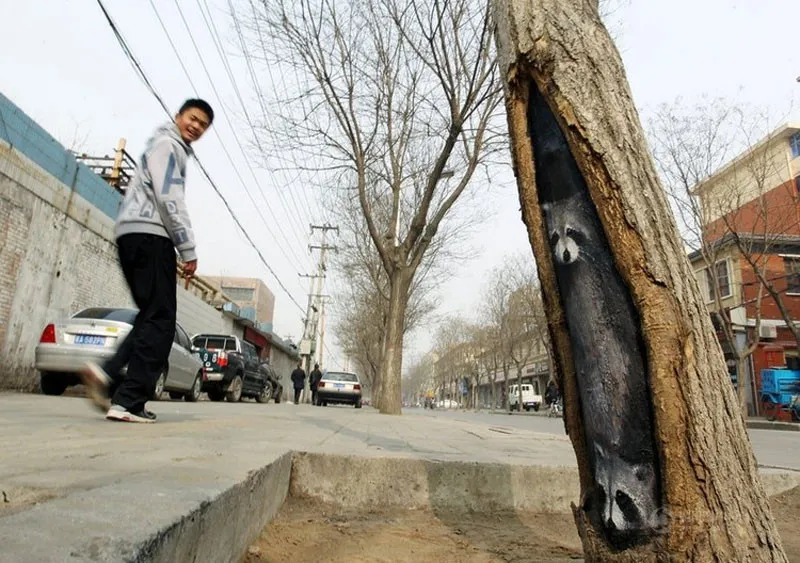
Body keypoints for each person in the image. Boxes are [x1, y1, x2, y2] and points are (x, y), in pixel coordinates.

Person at [79, 99, 214, 423]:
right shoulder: (169, 146)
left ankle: (106, 373)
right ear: (178, 116)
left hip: (130, 233)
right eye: (192, 119)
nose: (195, 127)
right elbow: (170, 198)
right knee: (162, 321)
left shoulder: (161, 145)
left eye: (202, 125)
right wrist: (188, 248)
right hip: (152, 235)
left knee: (151, 315)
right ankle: (128, 402)